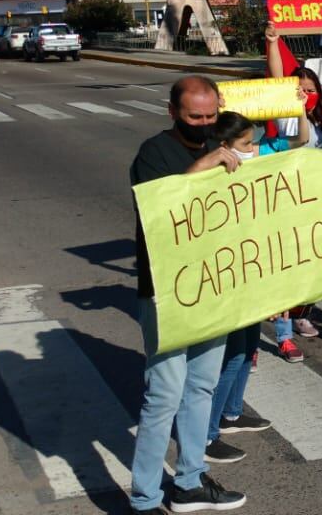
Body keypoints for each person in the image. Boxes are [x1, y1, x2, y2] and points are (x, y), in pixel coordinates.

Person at [129, 75, 245, 513]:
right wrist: (207, 162)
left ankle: (190, 481)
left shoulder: (221, 143)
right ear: (172, 112)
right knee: (164, 396)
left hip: (212, 288)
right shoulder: (153, 154)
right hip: (165, 294)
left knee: (201, 388)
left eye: (211, 115)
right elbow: (164, 206)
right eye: (195, 116)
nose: (204, 123)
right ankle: (144, 498)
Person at [201, 108, 314, 464]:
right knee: (233, 355)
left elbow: (301, 139)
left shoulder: (259, 157)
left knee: (248, 344)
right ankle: (206, 433)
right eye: (247, 143)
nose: (254, 148)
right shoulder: (210, 173)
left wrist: (298, 108)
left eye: (254, 142)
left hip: (256, 269)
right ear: (224, 146)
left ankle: (232, 413)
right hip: (232, 274)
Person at [266, 22, 322, 336]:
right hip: (297, 199)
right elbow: (278, 78)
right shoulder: (287, 110)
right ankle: (300, 312)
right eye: (299, 89)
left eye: (311, 89)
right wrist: (273, 43)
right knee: (302, 258)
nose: (306, 94)